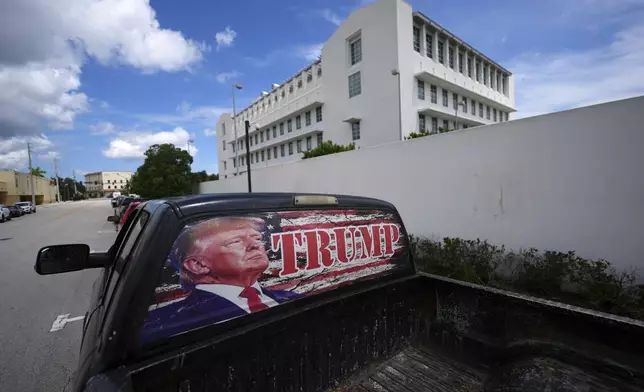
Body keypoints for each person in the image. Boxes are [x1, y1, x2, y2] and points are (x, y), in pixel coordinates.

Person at [141, 216, 301, 342]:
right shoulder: (165, 323)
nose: (256, 245)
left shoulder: (291, 298)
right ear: (197, 265)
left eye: (257, 238)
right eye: (235, 241)